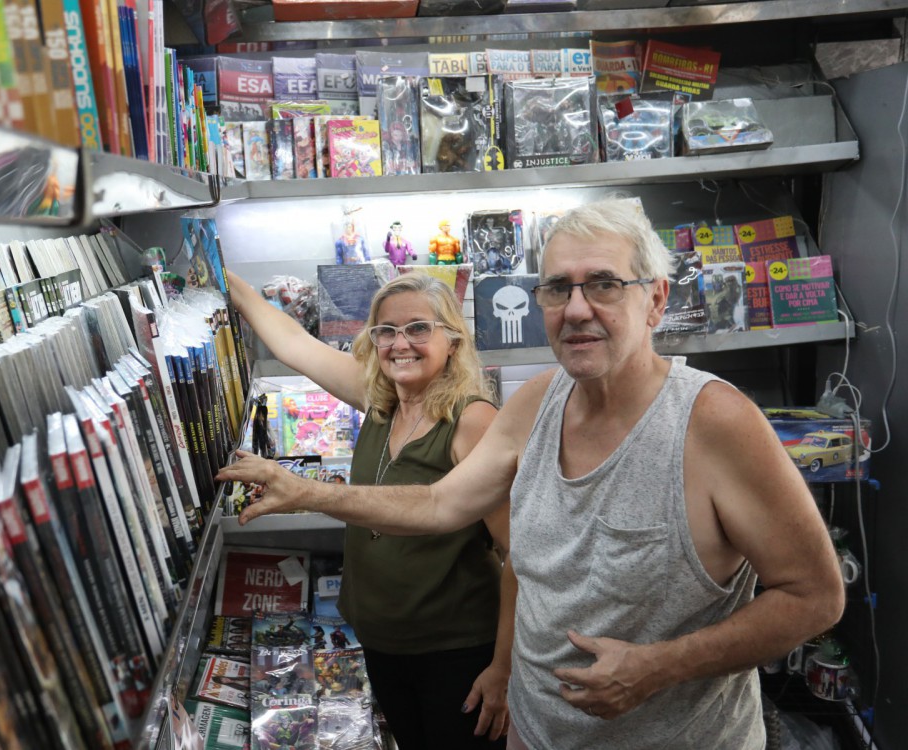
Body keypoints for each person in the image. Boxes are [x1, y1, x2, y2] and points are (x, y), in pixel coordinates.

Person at [220, 199, 846, 749]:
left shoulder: (715, 422)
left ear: (656, 298)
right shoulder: (539, 401)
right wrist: (305, 491)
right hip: (537, 732)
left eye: (603, 284)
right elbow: (439, 505)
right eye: (557, 288)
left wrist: (660, 665)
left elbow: (815, 596)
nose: (576, 309)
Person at [226, 268, 511, 747]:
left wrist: (503, 667)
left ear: (453, 341)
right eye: (387, 331)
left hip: (455, 651)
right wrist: (224, 275)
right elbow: (292, 343)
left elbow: (519, 552)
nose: (401, 343)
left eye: (419, 328)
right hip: (381, 645)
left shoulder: (473, 420)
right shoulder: (381, 401)